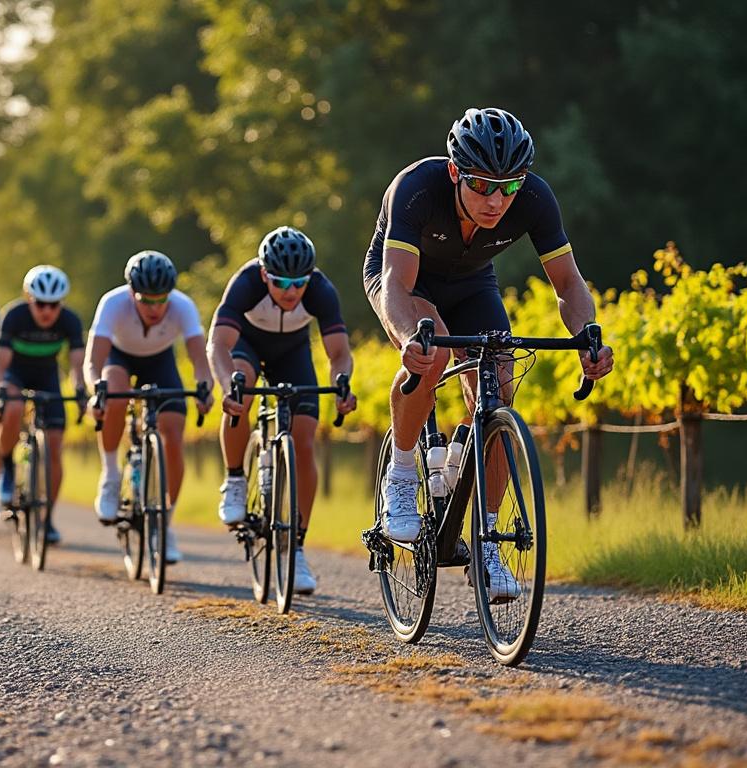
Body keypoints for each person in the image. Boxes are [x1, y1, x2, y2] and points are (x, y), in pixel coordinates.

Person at [364, 106, 614, 601]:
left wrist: (588, 335)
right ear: (456, 172)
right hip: (405, 281)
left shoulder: (535, 198)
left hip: (473, 284)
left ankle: (487, 541)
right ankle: (402, 472)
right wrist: (407, 336)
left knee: (498, 392)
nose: (496, 199)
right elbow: (395, 284)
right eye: (481, 185)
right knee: (431, 353)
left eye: (509, 186)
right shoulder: (416, 187)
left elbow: (568, 283)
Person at [207, 226, 357, 595]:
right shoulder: (245, 283)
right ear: (264, 275)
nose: (291, 291)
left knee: (304, 443)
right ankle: (236, 479)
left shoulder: (321, 290)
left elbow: (338, 353)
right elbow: (218, 345)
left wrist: (341, 384)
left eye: (298, 283)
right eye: (280, 282)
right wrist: (227, 387)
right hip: (247, 346)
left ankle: (297, 548)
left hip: (293, 354)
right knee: (240, 388)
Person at [85, 251, 213, 563]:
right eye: (146, 300)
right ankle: (111, 475)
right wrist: (96, 392)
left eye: (161, 300)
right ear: (132, 293)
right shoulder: (113, 303)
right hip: (119, 358)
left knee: (173, 432)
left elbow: (200, 361)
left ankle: (165, 522)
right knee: (113, 388)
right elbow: (93, 363)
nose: (155, 308)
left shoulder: (182, 306)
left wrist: (204, 389)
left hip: (160, 361)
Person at [0, 266, 87, 545]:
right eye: (40, 303)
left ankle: (47, 520)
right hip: (14, 374)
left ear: (62, 304)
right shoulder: (14, 316)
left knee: (55, 448)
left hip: (47, 377)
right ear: (29, 299)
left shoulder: (69, 320)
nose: (47, 311)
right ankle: (7, 470)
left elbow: (77, 367)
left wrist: (80, 390)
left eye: (54, 305)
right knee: (14, 406)